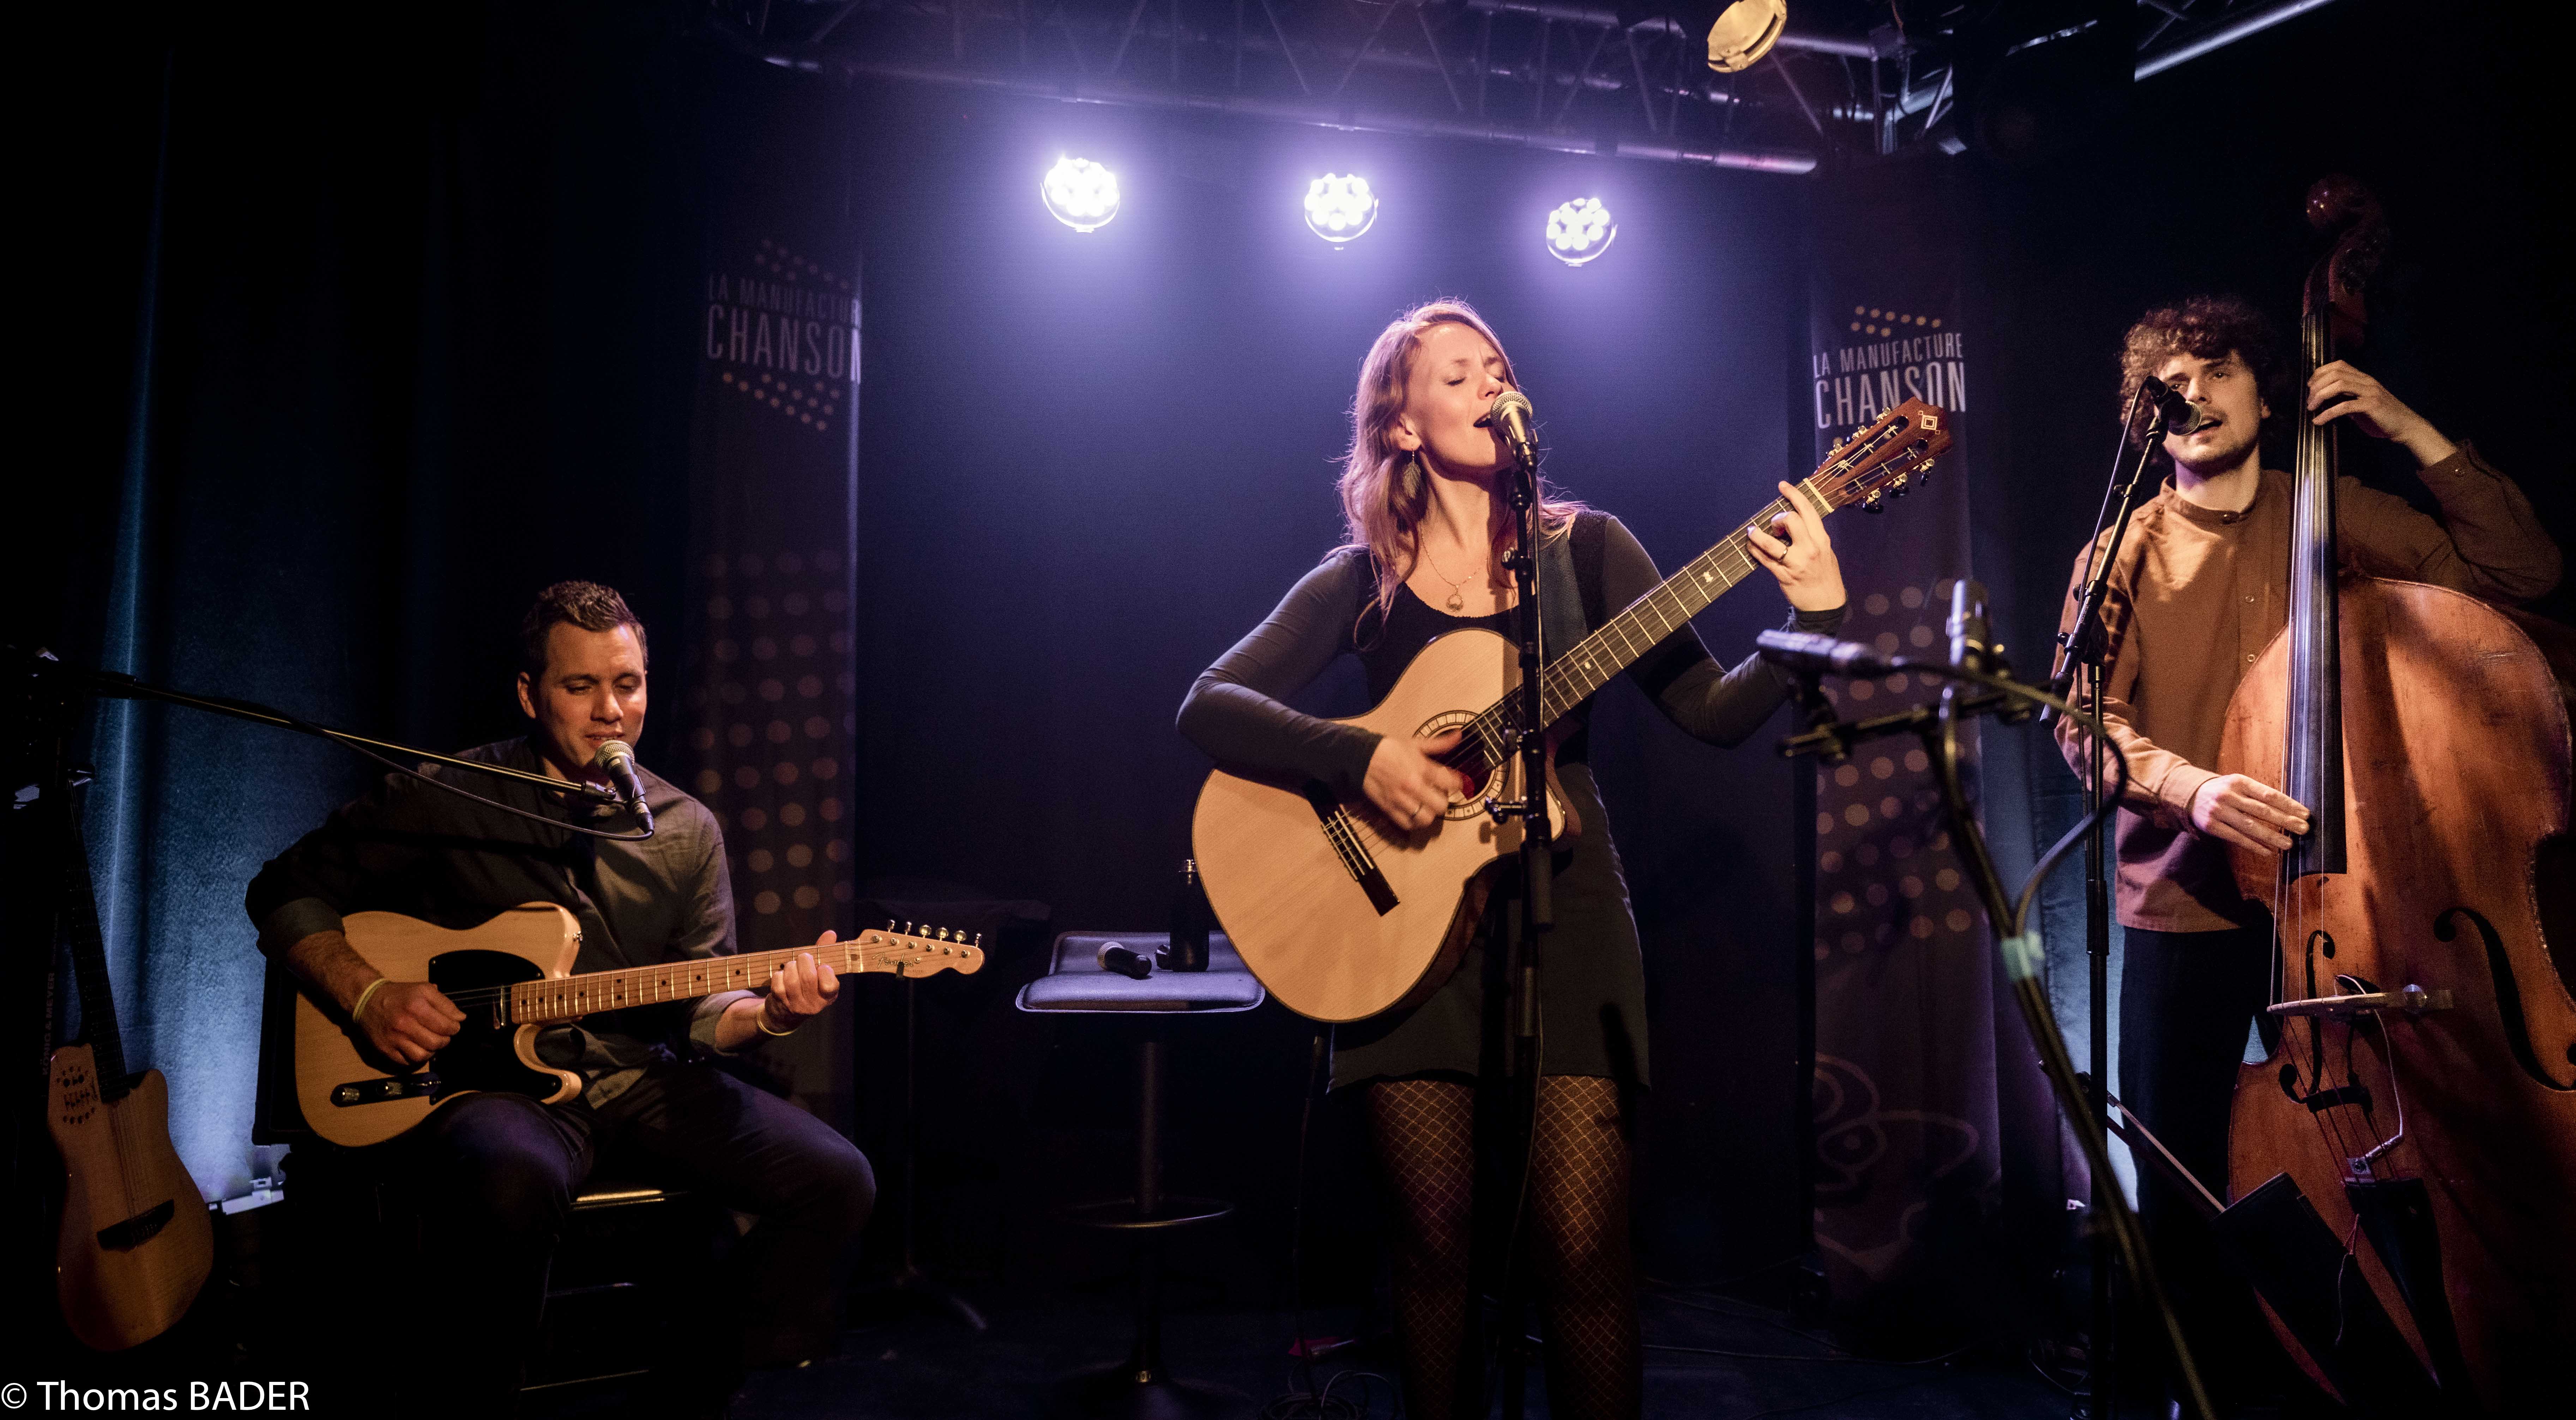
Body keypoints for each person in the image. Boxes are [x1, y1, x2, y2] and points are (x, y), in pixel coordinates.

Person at [1177, 300, 1847, 1420]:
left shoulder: (1587, 552)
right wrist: (1360, 758)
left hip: (1567, 917)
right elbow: (1210, 705)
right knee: (1432, 1252)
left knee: (1583, 1252)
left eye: (1498, 367)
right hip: (1396, 940)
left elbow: (1715, 712)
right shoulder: (1360, 583)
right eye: (1456, 374)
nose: (1490, 384)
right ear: (1397, 425)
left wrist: (1807, 623)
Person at [2050, 296, 2560, 1409]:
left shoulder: (2331, 514)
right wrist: (2190, 788)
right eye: (2166, 377)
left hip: (2355, 902)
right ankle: (2212, 1391)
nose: (2188, 390)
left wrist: (2409, 432)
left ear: (2266, 390)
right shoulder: (2119, 551)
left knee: (2398, 1150)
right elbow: (2076, 720)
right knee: (2179, 1175)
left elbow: (2520, 578)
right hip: (2180, 905)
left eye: (2215, 368)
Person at [247, 580, 875, 1413]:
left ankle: (691, 1381)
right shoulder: (451, 793)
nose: (611, 709)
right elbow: (285, 889)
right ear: (530, 693)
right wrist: (367, 995)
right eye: (581, 686)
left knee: (838, 1179)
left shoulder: (686, 829)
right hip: (500, 1086)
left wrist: (771, 1012)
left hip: (640, 1078)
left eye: (629, 683)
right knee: (510, 1172)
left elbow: (700, 1003)